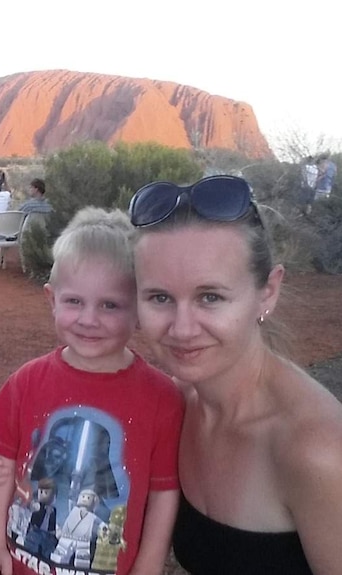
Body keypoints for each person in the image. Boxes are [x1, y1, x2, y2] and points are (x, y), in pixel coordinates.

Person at [129, 174, 342, 574]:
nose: (182, 328)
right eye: (160, 297)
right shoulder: (178, 403)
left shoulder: (316, 448)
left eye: (210, 297)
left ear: (268, 292)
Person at [0, 207, 184, 575]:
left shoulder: (162, 399)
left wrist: (148, 565)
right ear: (51, 299)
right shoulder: (27, 382)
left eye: (110, 305)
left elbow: (163, 493)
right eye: (74, 301)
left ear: (139, 311)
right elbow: (1, 466)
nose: (89, 319)